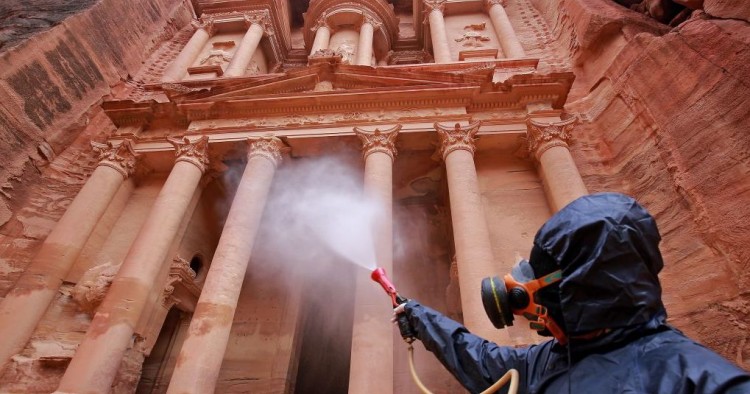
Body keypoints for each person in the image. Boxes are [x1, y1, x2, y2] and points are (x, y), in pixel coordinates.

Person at [394, 192, 750, 393]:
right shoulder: (546, 359)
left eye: (540, 279)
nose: (523, 302)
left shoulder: (695, 378)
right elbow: (482, 360)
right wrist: (419, 316)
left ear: (584, 289)